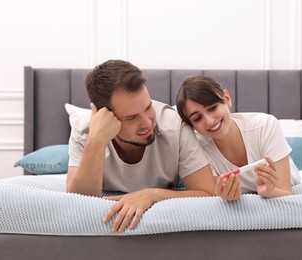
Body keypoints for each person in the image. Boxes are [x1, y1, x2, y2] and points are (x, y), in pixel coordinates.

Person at [66, 60, 216, 232]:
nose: (147, 123)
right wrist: (97, 141)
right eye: (131, 118)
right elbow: (78, 201)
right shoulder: (84, 131)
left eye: (148, 107)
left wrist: (153, 194)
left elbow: (208, 194)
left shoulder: (174, 125)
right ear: (103, 115)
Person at [176, 75, 300, 200]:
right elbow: (212, 196)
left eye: (212, 108)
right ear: (192, 126)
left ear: (227, 98)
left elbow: (286, 193)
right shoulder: (195, 149)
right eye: (197, 118)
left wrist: (269, 192)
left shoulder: (265, 125)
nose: (209, 121)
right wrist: (224, 198)